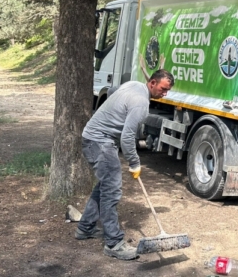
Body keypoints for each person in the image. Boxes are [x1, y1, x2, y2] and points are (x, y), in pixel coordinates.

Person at [74, 70, 174, 260]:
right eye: (163, 89)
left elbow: (112, 91)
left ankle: (85, 228)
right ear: (152, 83)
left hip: (94, 138)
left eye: (167, 90)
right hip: (100, 142)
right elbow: (128, 137)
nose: (165, 93)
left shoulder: (134, 85)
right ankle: (113, 243)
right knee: (112, 190)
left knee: (105, 186)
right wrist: (135, 163)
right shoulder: (141, 103)